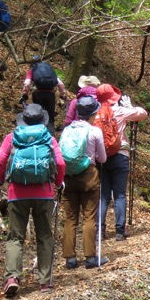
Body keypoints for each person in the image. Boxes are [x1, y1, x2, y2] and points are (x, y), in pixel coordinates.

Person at [0, 103, 65, 297]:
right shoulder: (48, 139)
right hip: (44, 193)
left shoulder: (12, 137)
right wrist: (58, 183)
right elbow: (59, 162)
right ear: (43, 120)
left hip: (17, 194)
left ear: (23, 120)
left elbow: (0, 160)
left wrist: (0, 180)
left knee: (15, 236)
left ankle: (12, 278)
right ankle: (45, 281)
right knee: (44, 236)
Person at [60, 95, 108, 269]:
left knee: (70, 218)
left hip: (68, 176)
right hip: (88, 176)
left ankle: (70, 258)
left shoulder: (66, 130)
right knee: (89, 217)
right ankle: (90, 257)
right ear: (93, 113)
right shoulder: (95, 131)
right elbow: (102, 158)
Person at [95, 84, 148, 240]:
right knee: (119, 195)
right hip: (120, 156)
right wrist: (129, 106)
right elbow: (142, 113)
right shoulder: (119, 111)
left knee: (103, 195)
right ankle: (119, 231)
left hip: (102, 157)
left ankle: (100, 230)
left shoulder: (95, 113)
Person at [23, 55, 67, 129]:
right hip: (50, 94)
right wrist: (62, 94)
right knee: (50, 117)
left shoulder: (32, 70)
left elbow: (27, 83)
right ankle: (51, 135)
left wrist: (25, 94)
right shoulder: (49, 70)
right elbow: (60, 84)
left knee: (37, 115)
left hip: (37, 94)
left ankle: (38, 132)